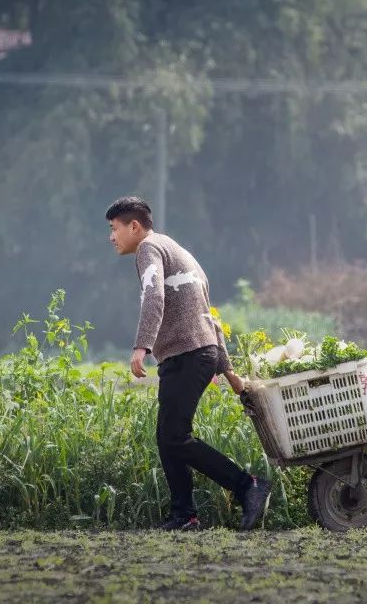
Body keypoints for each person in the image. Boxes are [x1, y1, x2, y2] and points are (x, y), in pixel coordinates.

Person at [107, 196, 271, 531]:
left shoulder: (148, 249)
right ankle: (185, 514)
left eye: (114, 228)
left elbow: (155, 297)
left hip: (186, 355)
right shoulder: (182, 252)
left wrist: (142, 346)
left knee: (173, 437)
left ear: (134, 226)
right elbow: (209, 315)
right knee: (169, 436)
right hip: (199, 353)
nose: (111, 237)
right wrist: (228, 371)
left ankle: (247, 486)